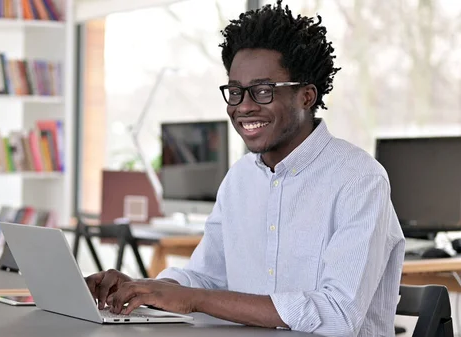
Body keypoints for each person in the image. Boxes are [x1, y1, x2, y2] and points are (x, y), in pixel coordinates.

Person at [85, 1, 405, 336]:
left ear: (306, 96)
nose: (244, 107)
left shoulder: (359, 180)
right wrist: (143, 289)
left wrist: (194, 299)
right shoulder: (240, 179)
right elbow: (206, 277)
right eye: (235, 92)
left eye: (263, 91)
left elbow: (338, 314)